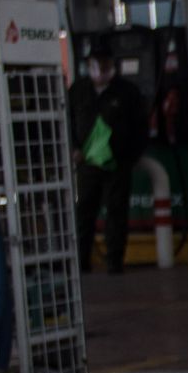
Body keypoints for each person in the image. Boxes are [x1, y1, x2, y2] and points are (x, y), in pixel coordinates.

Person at [71, 35, 149, 274]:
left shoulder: (126, 92)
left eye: (104, 61)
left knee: (116, 212)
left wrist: (130, 156)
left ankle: (114, 260)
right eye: (96, 61)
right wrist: (74, 148)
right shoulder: (78, 91)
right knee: (85, 211)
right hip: (87, 163)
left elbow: (139, 126)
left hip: (117, 163)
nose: (100, 67)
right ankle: (81, 261)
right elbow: (67, 122)